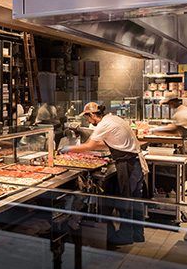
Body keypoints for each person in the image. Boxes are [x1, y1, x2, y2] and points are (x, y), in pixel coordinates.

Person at [60, 102, 147, 244]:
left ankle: (125, 236)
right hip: (135, 162)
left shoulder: (103, 124)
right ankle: (138, 234)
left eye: (87, 117)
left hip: (128, 165)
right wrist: (82, 148)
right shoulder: (113, 118)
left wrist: (68, 149)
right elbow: (104, 143)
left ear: (92, 115)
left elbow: (90, 145)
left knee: (126, 200)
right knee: (136, 200)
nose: (88, 121)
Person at [151, 92, 187, 197]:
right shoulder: (185, 109)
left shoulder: (180, 113)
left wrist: (156, 130)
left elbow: (174, 130)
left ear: (172, 102)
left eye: (168, 103)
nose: (168, 106)